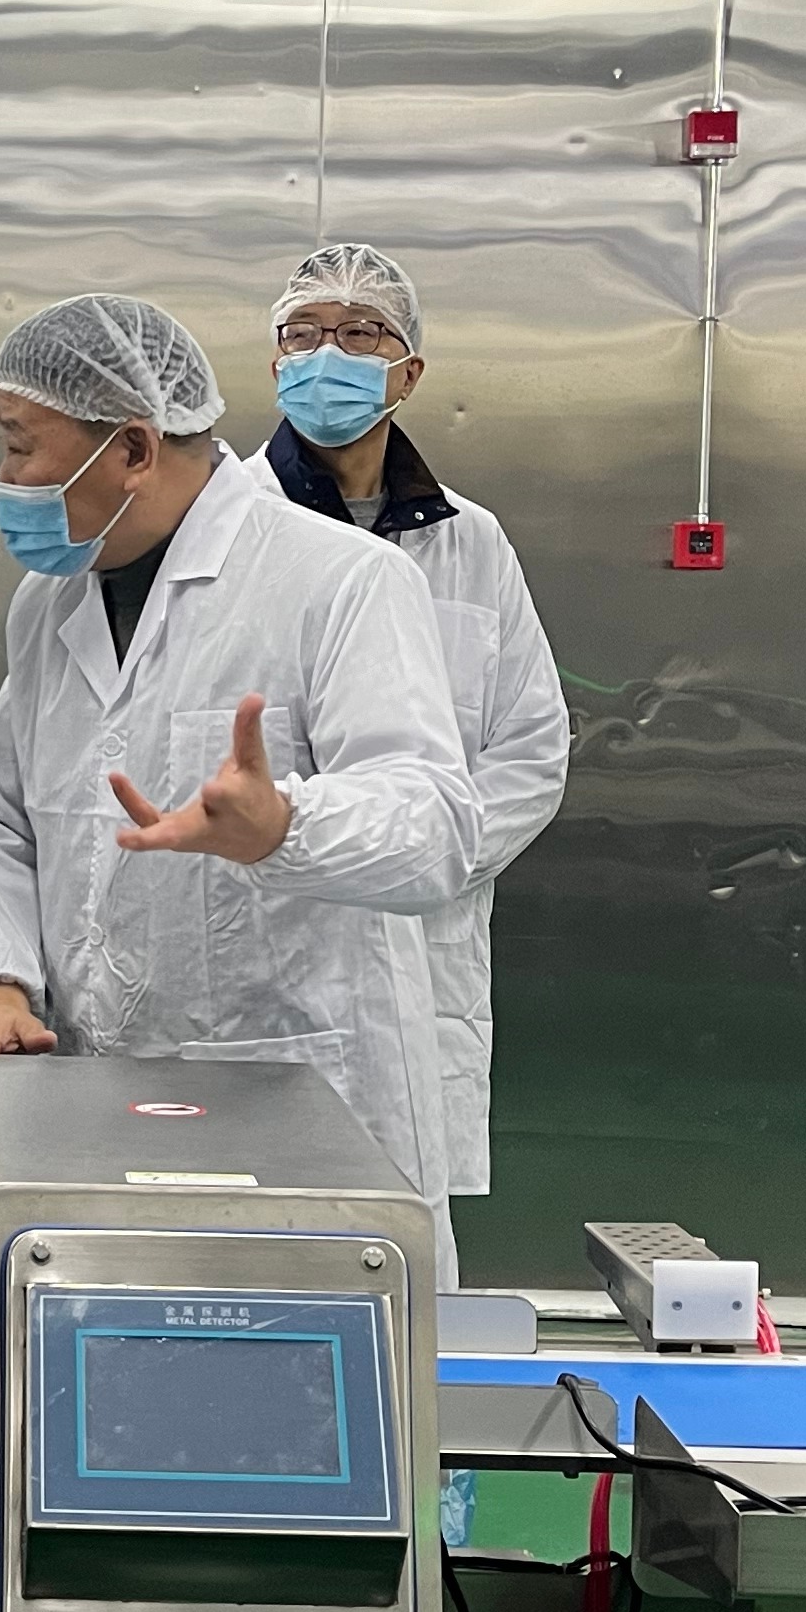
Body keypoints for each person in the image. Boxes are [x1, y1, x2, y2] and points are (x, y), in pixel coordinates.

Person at [0, 291, 477, 1612]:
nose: (9, 481)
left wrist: (286, 823)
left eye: (24, 449)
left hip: (308, 1148)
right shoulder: (55, 601)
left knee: (314, 1589)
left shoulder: (337, 583)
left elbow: (434, 818)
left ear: (129, 444)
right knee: (101, 1572)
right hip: (104, 1141)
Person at [255, 243, 568, 1214]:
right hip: (262, 950)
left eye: (361, 333)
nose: (328, 354)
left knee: (401, 1239)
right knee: (245, 1215)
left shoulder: (469, 542)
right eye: (304, 334)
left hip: (421, 946)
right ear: (275, 362)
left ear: (410, 371)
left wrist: (415, 853)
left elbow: (529, 749)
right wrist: (305, 850)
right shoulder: (225, 531)